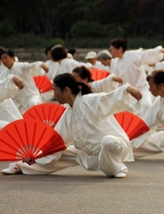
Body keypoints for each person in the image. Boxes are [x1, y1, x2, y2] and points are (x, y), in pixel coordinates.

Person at [1, 74, 141, 177]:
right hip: (88, 155)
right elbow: (56, 142)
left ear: (66, 90)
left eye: (55, 90)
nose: (54, 94)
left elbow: (109, 98)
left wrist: (128, 89)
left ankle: (117, 168)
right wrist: (35, 157)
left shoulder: (90, 101)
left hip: (113, 149)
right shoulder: (68, 114)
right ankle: (21, 166)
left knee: (108, 141)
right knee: (57, 154)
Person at [109, 38, 164, 113]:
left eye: (112, 49)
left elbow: (146, 54)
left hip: (142, 88)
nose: (111, 51)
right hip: (128, 92)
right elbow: (113, 77)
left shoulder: (133, 55)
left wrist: (158, 51)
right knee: (123, 111)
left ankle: (147, 124)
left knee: (146, 105)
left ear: (119, 49)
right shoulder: (114, 62)